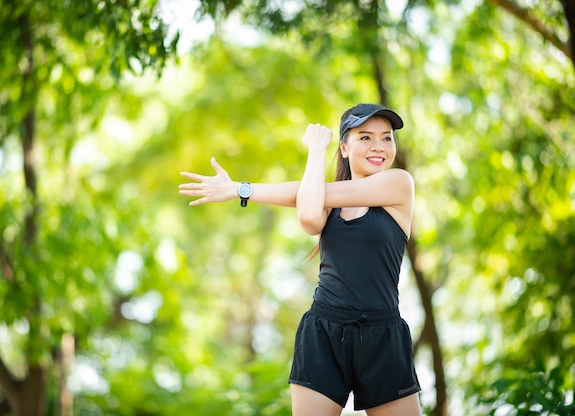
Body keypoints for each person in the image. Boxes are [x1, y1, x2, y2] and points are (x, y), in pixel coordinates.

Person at [179, 103, 422, 416]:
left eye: (386, 138)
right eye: (365, 137)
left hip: (382, 335)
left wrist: (244, 188)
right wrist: (313, 154)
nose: (379, 147)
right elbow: (308, 215)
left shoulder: (399, 183)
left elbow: (307, 197)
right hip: (324, 332)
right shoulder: (320, 199)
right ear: (344, 149)